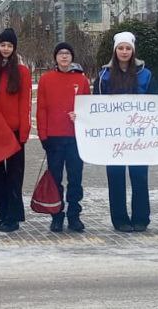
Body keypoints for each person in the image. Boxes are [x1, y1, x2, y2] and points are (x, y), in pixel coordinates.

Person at [95, 32, 153, 233]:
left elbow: (156, 102)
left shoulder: (145, 74)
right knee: (116, 177)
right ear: (115, 50)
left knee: (139, 176)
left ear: (133, 50)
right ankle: (119, 219)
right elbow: (95, 105)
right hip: (114, 137)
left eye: (128, 48)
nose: (124, 52)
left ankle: (141, 218)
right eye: (121, 48)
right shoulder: (104, 75)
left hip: (139, 136)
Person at [36, 42, 91, 233]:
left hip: (76, 138)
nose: (64, 57)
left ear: (72, 57)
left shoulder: (82, 80)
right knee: (55, 178)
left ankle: (74, 215)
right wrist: (43, 136)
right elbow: (41, 109)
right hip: (54, 138)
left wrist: (82, 121)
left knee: (75, 179)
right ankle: (57, 215)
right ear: (56, 57)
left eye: (68, 53)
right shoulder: (46, 79)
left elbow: (89, 109)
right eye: (61, 53)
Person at [0, 28, 32, 233]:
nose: (5, 49)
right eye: (3, 45)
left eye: (9, 46)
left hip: (14, 132)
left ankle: (13, 217)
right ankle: (2, 213)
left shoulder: (22, 72)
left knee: (14, 176)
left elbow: (25, 102)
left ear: (14, 48)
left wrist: (24, 131)